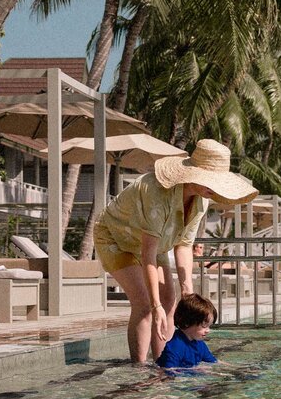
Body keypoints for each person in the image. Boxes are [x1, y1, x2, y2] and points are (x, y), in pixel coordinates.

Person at [93, 138, 258, 363]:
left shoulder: (202, 199)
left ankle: (164, 363)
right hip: (115, 238)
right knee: (144, 303)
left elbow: (184, 244)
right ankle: (139, 367)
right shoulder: (156, 191)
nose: (215, 188)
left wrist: (187, 289)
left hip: (156, 242)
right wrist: (155, 305)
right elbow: (147, 253)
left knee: (170, 300)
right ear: (194, 174)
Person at [156, 293, 219, 369]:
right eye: (204, 326)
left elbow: (214, 362)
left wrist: (232, 369)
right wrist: (195, 371)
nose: (208, 330)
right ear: (187, 323)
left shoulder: (199, 344)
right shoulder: (175, 347)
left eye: (209, 326)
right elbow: (168, 372)